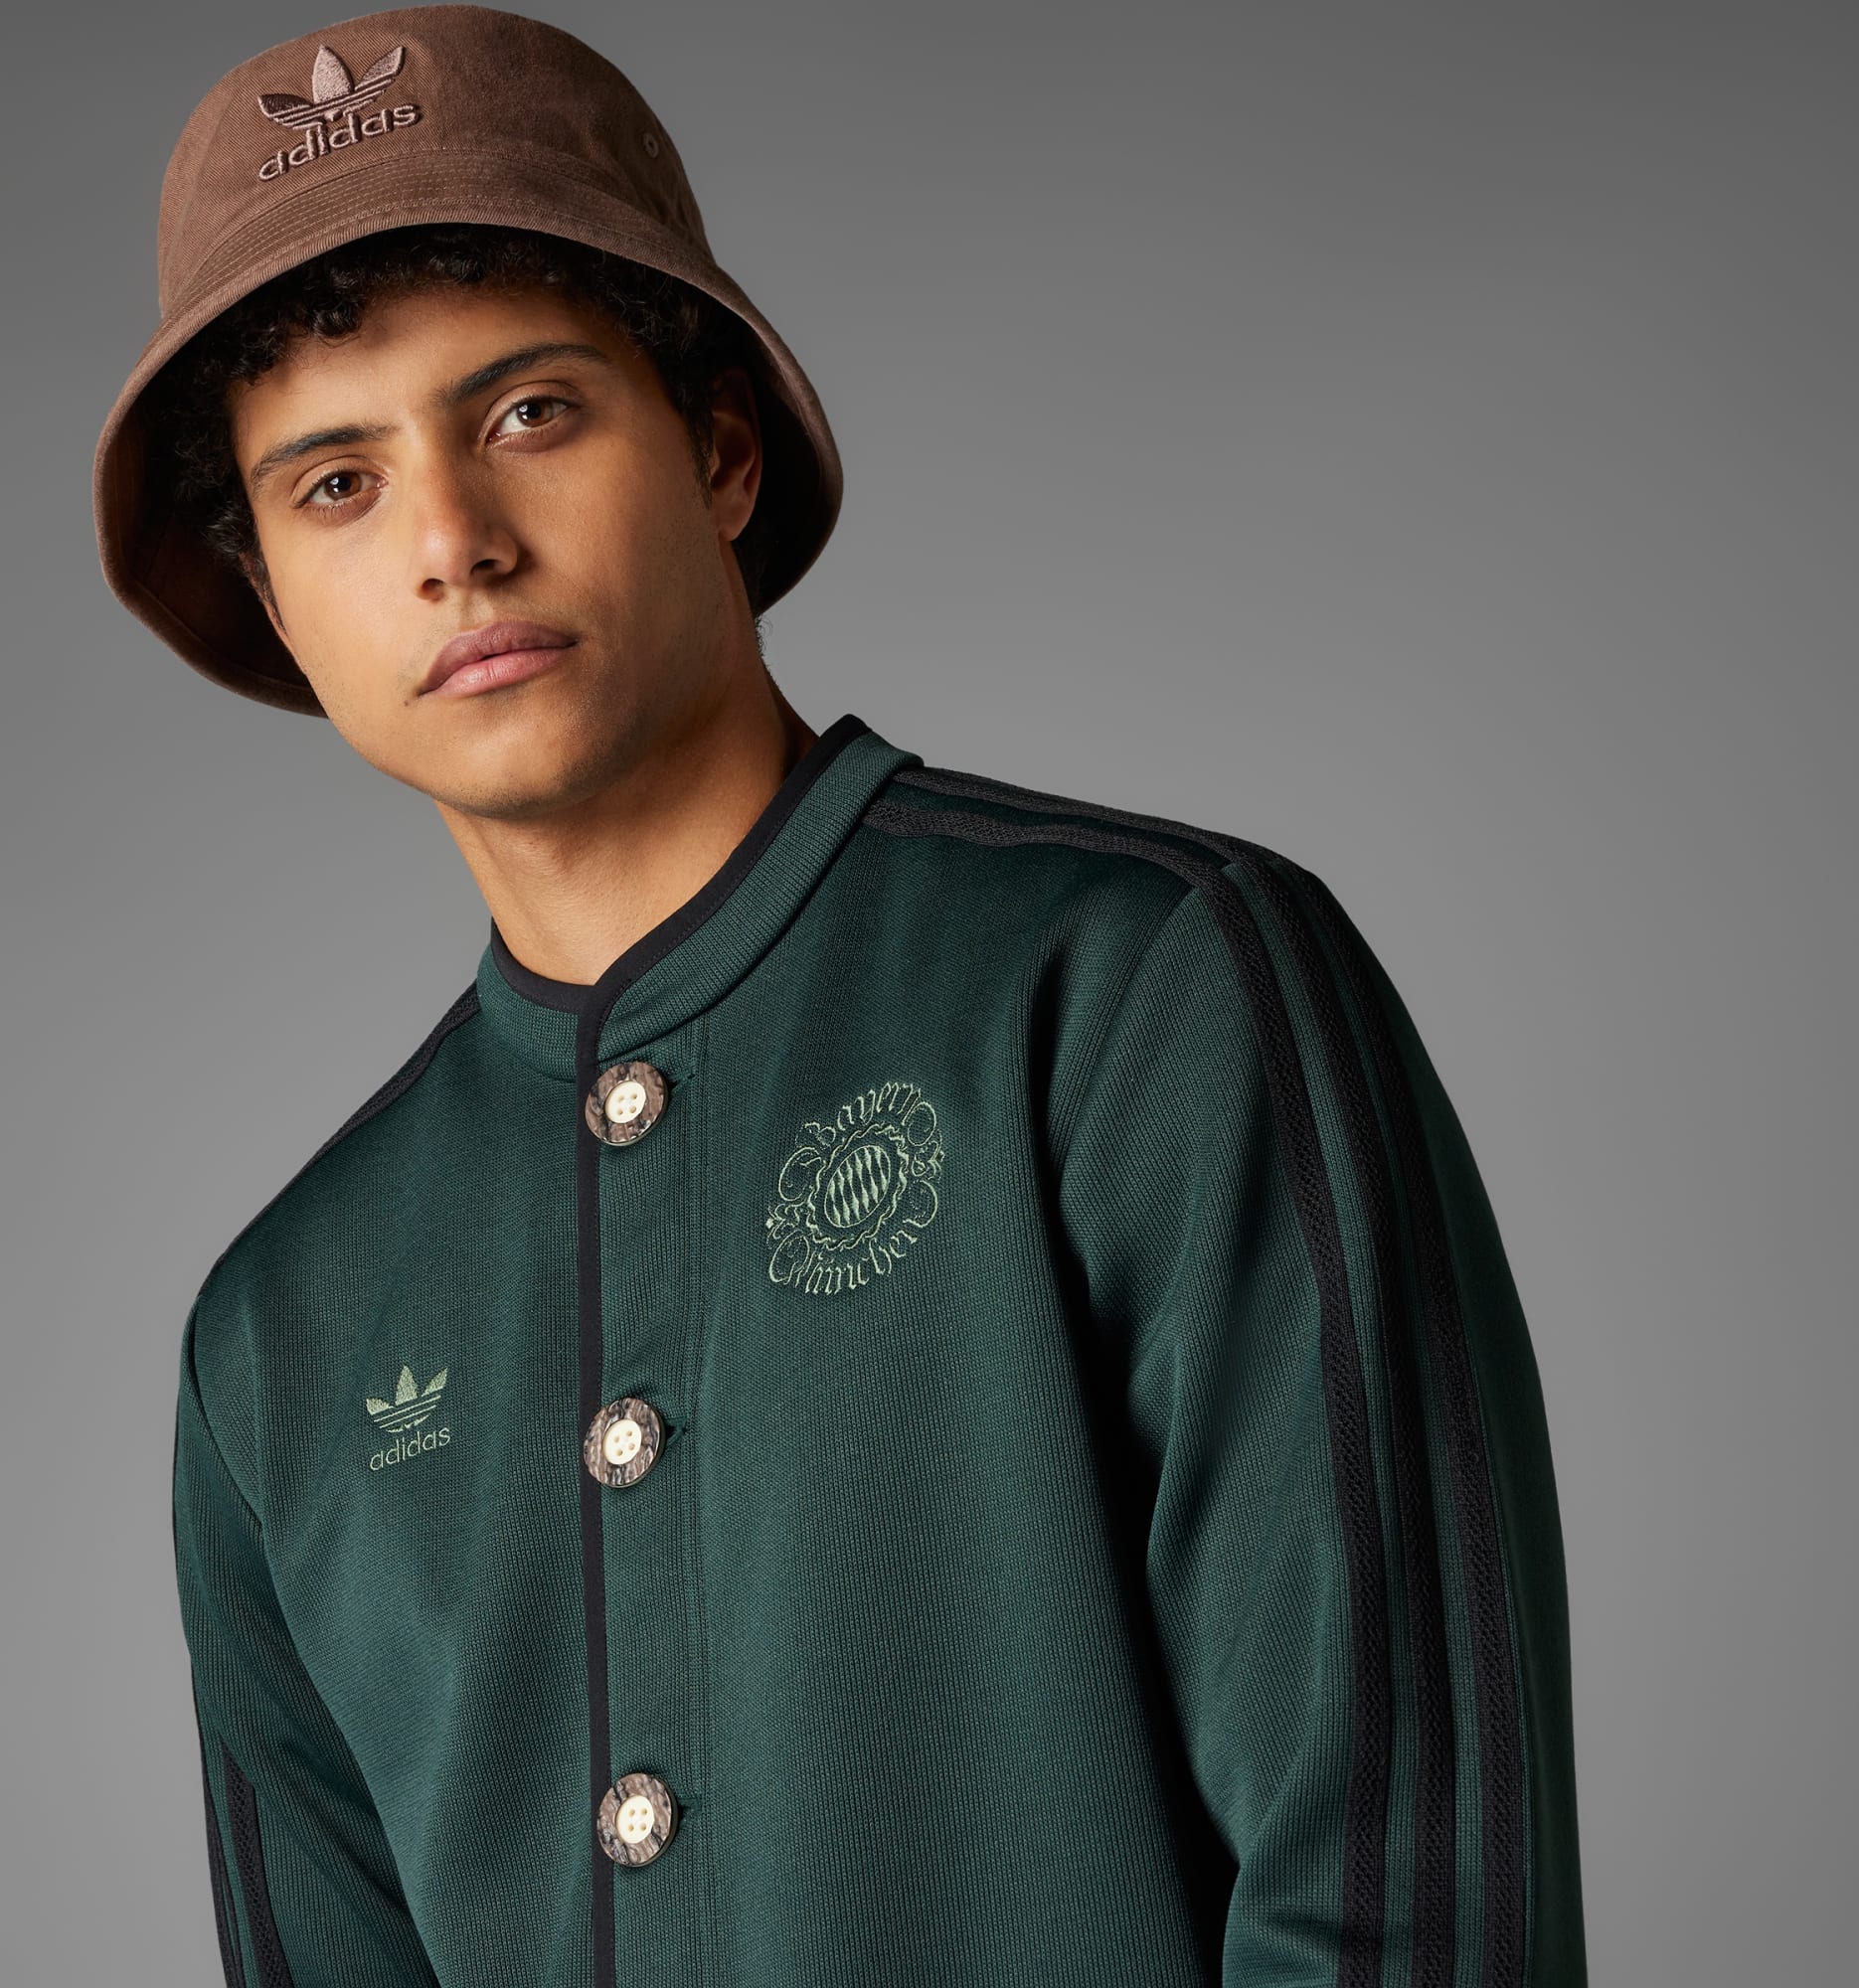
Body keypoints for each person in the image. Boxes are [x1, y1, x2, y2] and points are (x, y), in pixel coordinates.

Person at [95, 9, 1588, 1985]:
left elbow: (1406, 1911)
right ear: (278, 603)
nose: (453, 544)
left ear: (717, 451)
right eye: (337, 486)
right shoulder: (279, 1336)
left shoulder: (1142, 992)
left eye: (529, 411)